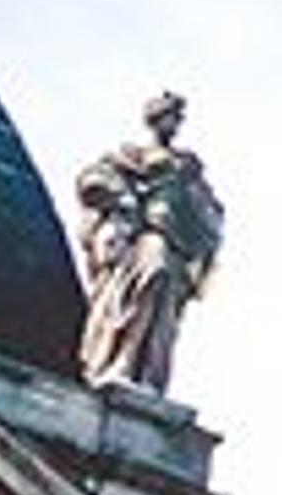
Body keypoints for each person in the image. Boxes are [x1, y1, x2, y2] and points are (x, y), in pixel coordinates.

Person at [76, 91, 224, 391]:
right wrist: (125, 198)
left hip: (174, 242)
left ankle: (144, 374)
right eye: (170, 116)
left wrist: (197, 205)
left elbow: (211, 212)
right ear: (154, 120)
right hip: (145, 234)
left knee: (163, 306)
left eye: (178, 118)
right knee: (146, 280)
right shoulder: (132, 155)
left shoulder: (188, 165)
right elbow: (92, 182)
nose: (175, 123)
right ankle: (121, 361)